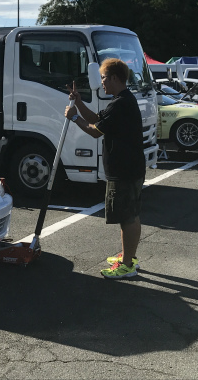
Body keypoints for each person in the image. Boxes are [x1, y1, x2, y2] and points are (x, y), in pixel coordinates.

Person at [64, 58, 145, 279]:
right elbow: (97, 120)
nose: (101, 83)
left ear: (114, 78)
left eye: (103, 78)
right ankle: (129, 257)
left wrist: (74, 117)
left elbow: (94, 131)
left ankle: (127, 265)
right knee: (130, 215)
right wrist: (79, 102)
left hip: (124, 170)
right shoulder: (121, 101)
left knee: (127, 217)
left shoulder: (120, 104)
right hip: (130, 168)